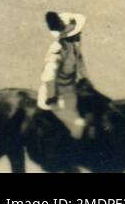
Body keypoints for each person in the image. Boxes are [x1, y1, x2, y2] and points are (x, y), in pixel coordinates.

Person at [37, 11, 96, 141]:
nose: (80, 34)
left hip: (72, 89)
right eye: (76, 33)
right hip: (58, 95)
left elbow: (80, 65)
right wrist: (52, 96)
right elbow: (49, 75)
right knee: (79, 127)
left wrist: (86, 81)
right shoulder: (57, 50)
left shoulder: (73, 46)